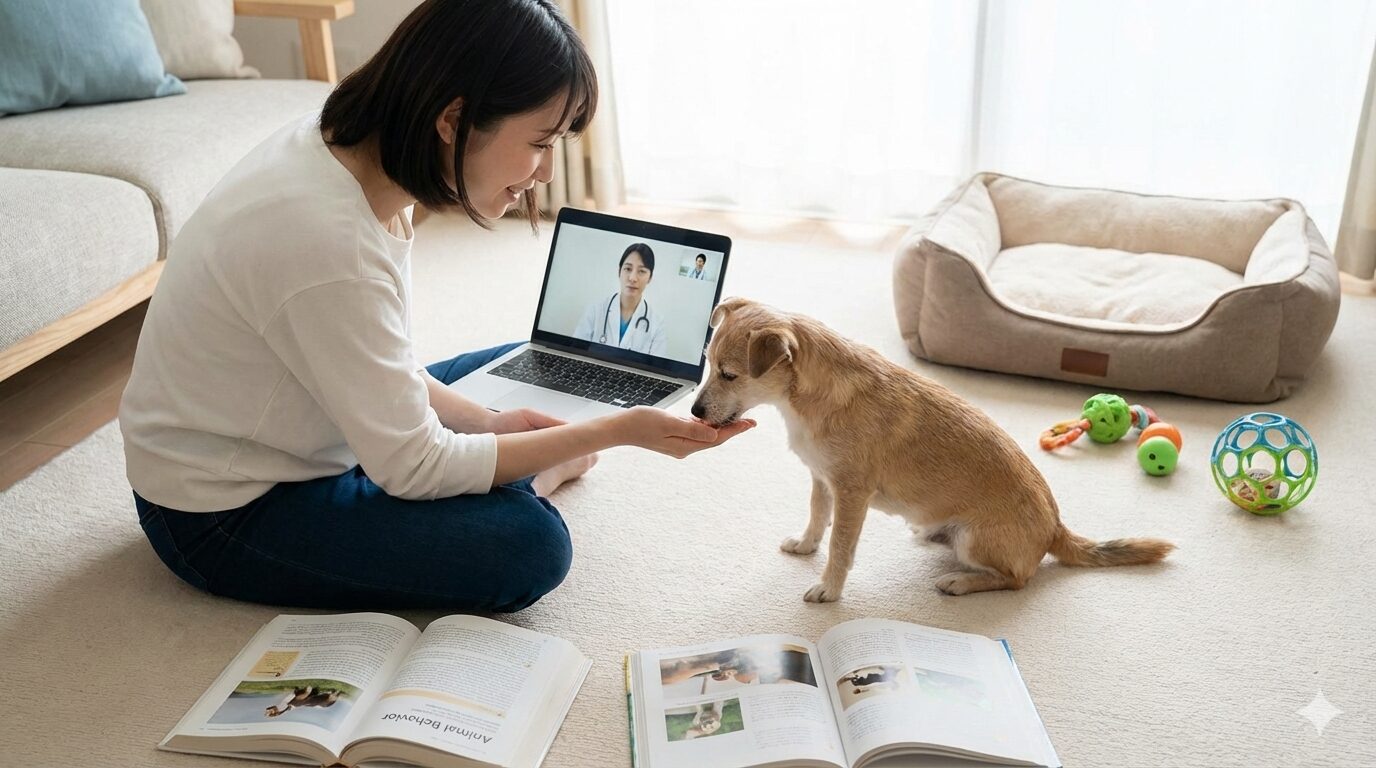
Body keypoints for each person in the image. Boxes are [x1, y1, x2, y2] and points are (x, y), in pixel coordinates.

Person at [118, 0, 754, 613]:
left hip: (315, 424)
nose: (546, 173)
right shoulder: (327, 241)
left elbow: (383, 361)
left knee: (530, 362)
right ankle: (531, 476)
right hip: (224, 509)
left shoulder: (351, 154)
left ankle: (513, 463)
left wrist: (484, 422)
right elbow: (413, 468)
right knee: (532, 546)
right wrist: (611, 432)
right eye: (540, 141)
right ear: (454, 119)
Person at [572, 242, 667, 355]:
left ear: (650, 278)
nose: (632, 278)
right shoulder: (595, 311)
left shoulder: (657, 324)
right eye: (628, 269)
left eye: (641, 271)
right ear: (619, 272)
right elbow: (574, 352)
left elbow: (655, 368)